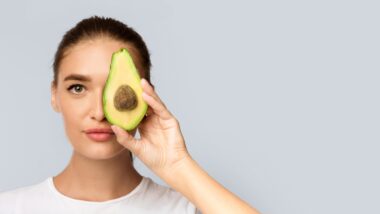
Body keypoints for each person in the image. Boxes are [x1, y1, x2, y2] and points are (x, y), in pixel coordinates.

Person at [0, 16, 259, 214]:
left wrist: (178, 166)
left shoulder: (184, 209)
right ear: (55, 95)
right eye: (77, 88)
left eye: (121, 92)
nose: (100, 112)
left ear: (148, 98)